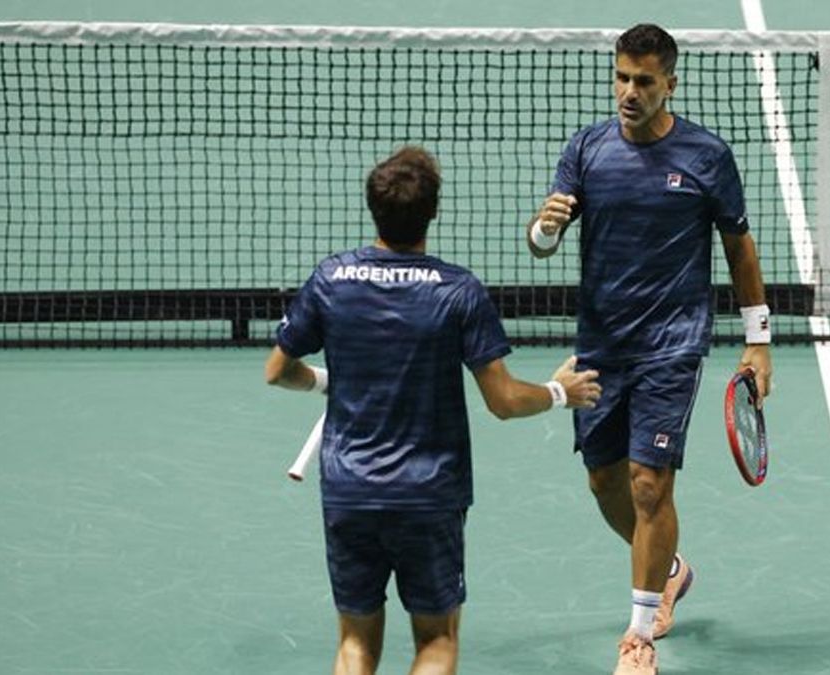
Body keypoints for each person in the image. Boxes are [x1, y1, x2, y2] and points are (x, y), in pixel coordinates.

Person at [267, 146, 601, 675]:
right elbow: (505, 401)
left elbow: (278, 370)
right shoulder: (459, 292)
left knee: (355, 645)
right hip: (428, 495)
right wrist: (560, 392)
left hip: (350, 491)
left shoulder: (331, 279)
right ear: (434, 212)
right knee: (437, 643)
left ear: (373, 209)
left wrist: (328, 383)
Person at [525, 23, 774, 674]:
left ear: (670, 83)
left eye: (643, 81)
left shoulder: (707, 156)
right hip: (601, 344)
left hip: (672, 342)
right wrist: (543, 229)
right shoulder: (586, 149)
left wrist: (758, 339)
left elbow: (738, 245)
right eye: (621, 78)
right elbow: (541, 239)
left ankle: (639, 638)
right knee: (604, 478)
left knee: (647, 482)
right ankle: (669, 568)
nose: (628, 92)